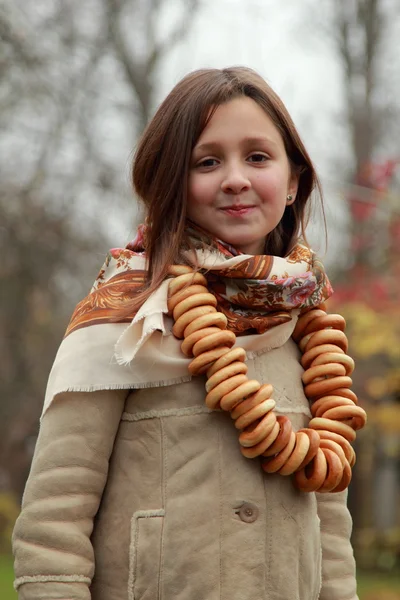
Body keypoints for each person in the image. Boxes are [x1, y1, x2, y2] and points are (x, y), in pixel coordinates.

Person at [12, 67, 362, 600]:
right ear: (170, 183)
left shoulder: (308, 331)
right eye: (207, 161)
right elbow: (53, 523)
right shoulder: (124, 317)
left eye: (259, 157)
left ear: (293, 182)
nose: (236, 178)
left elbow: (329, 528)